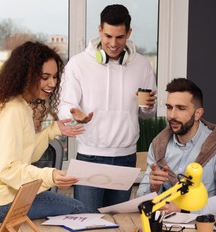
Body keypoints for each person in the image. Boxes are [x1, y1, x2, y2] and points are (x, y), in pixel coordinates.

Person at [0, 41, 86, 222]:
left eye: (55, 77)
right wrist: (49, 176)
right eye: (45, 77)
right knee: (78, 208)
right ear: (27, 76)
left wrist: (52, 130)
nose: (52, 83)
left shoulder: (17, 104)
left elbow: (26, 154)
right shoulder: (14, 109)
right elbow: (9, 169)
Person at [58, 4, 157, 212]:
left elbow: (147, 114)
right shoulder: (78, 64)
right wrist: (75, 115)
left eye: (120, 37)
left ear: (129, 33)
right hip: (90, 156)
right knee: (87, 222)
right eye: (108, 36)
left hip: (126, 157)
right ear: (100, 30)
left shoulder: (141, 65)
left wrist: (149, 106)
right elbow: (65, 105)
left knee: (118, 224)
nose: (113, 44)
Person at [136, 78, 216, 215]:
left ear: (198, 113)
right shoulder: (158, 146)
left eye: (181, 108)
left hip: (203, 226)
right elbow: (140, 198)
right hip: (166, 224)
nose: (172, 115)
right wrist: (153, 187)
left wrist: (186, 210)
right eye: (169, 107)